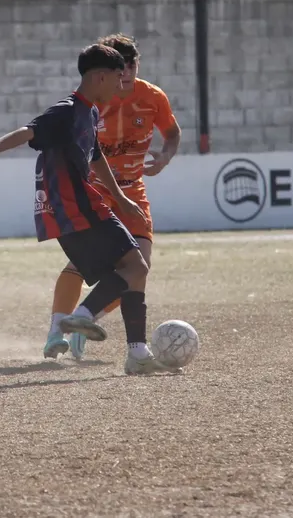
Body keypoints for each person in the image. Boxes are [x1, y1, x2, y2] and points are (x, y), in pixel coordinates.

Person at [0, 43, 176, 375]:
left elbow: (96, 157)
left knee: (133, 268)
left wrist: (123, 198)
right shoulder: (67, 110)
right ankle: (82, 319)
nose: (121, 87)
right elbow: (28, 131)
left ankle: (134, 351)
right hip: (80, 208)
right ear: (100, 77)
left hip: (76, 211)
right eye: (117, 79)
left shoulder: (89, 112)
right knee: (136, 267)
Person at [43, 34, 181, 360]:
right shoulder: (94, 101)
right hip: (97, 193)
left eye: (133, 64)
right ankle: (57, 331)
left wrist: (165, 156)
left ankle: (84, 323)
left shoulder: (153, 97)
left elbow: (172, 132)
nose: (129, 71)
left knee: (138, 268)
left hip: (133, 192)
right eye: (122, 66)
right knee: (80, 265)